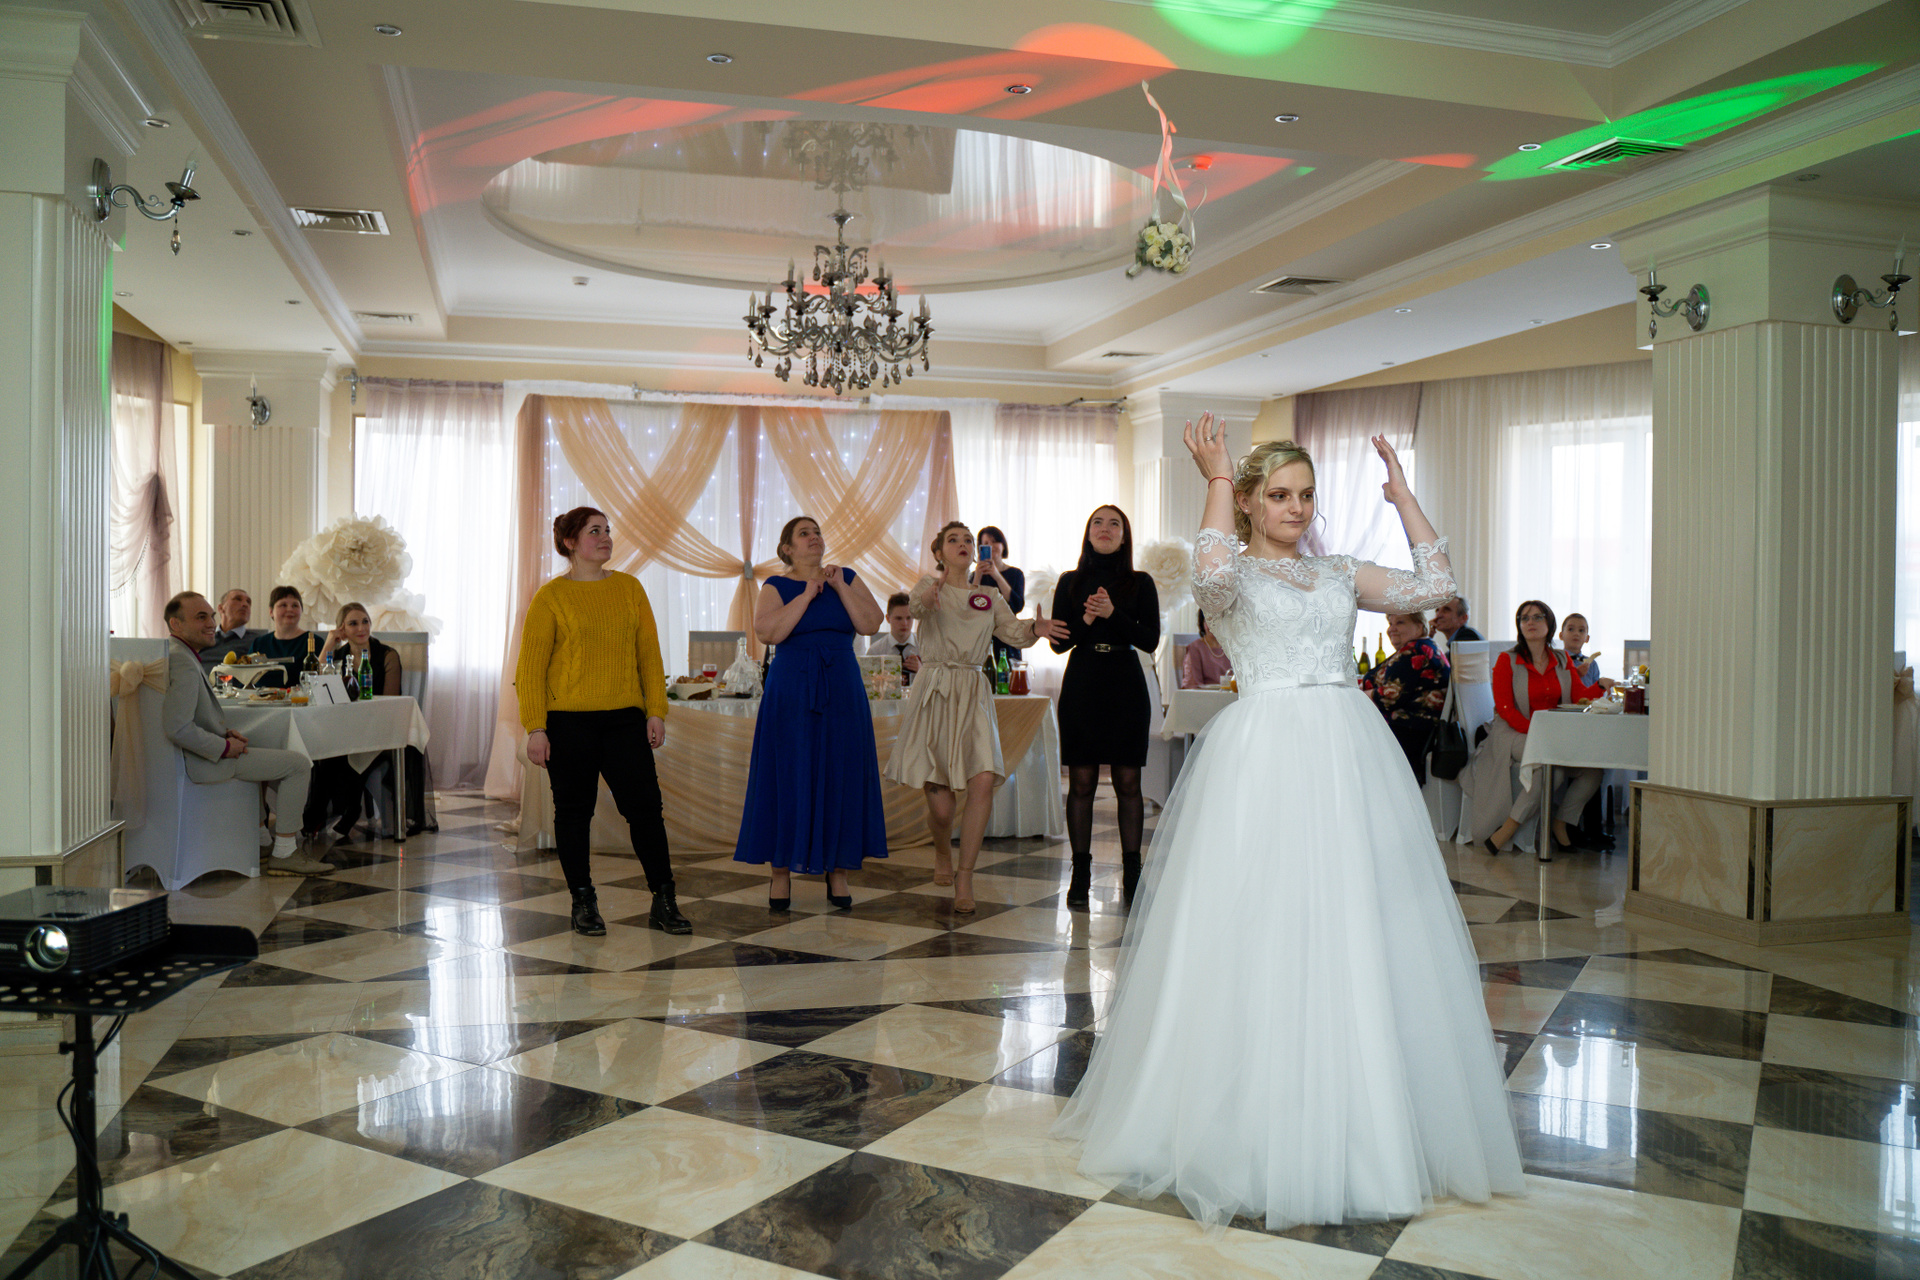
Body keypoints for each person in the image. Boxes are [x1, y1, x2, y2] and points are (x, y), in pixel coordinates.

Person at [1056, 415, 1524, 1232]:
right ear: (1249, 502)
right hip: (1265, 755)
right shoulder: (1230, 575)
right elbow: (1208, 574)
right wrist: (1214, 478)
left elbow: (1435, 586)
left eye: (1305, 495)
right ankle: (1251, 1122)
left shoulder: (1340, 571)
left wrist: (1402, 497)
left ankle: (1366, 1119)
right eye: (1278, 495)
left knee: (1361, 925)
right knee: (1263, 926)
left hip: (1348, 753)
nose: (1296, 508)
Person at [519, 506, 691, 938]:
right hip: (567, 723)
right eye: (595, 531)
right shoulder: (550, 597)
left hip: (624, 720)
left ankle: (664, 900)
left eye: (607, 530)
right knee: (573, 814)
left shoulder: (630, 588)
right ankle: (583, 902)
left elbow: (649, 655)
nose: (606, 537)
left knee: (646, 810)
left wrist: (656, 710)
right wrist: (535, 727)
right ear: (570, 542)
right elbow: (531, 669)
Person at [885, 521, 1067, 909]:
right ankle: (942, 850)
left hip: (973, 690)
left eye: (968, 539)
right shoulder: (927, 586)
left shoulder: (988, 596)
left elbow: (1013, 632)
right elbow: (917, 608)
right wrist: (928, 598)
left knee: (983, 779)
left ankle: (965, 877)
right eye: (953, 540)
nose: (963, 544)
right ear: (939, 553)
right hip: (935, 690)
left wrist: (1036, 627)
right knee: (942, 808)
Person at [735, 516, 889, 911]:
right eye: (804, 533)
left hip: (841, 687)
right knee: (788, 773)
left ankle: (838, 871)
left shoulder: (846, 577)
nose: (814, 537)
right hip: (791, 689)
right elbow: (768, 632)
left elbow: (871, 623)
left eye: (817, 532)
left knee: (841, 772)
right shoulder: (776, 585)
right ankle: (780, 872)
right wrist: (806, 595)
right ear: (787, 548)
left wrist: (838, 587)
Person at [161, 591, 330, 876]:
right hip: (200, 762)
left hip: (196, 754)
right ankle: (285, 852)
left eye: (210, 616)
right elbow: (177, 727)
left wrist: (225, 733)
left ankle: (261, 841)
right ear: (176, 624)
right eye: (201, 617)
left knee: (262, 747)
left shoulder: (177, 654)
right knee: (299, 765)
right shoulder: (182, 661)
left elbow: (187, 717)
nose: (210, 623)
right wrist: (225, 747)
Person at [1051, 506, 1160, 908]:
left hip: (1125, 683)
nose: (1105, 528)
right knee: (1081, 783)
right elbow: (1060, 644)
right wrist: (1086, 617)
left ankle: (1133, 872)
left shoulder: (1140, 582)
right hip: (1082, 681)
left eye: (1115, 523)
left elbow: (1149, 640)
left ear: (1124, 536)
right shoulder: (1069, 581)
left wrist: (1112, 614)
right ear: (1088, 532)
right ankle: (1080, 872)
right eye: (1098, 522)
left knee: (1128, 783)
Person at [1464, 600, 1613, 857]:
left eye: (1537, 617)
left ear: (1549, 624)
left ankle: (1560, 822)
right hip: (1512, 733)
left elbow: (1578, 696)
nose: (1530, 622)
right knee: (1551, 769)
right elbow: (1506, 710)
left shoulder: (1562, 659)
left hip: (1550, 735)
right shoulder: (1507, 660)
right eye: (1524, 618)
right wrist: (1537, 732)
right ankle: (1508, 828)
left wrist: (1599, 685)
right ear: (1519, 626)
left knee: (1593, 772)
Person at [303, 602, 437, 839]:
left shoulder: (387, 655)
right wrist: (329, 643)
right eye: (353, 623)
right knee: (325, 752)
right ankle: (317, 818)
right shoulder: (339, 656)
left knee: (354, 749)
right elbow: (317, 682)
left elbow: (389, 702)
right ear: (342, 629)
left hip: (384, 729)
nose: (361, 628)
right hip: (347, 729)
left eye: (365, 621)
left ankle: (349, 811)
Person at [1363, 609, 1450, 784]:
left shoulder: (1414, 651)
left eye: (1400, 622)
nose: (1392, 629)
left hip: (1409, 732)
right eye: (1390, 623)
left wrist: (1361, 695)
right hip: (1416, 731)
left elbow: (1390, 697)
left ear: (1419, 627)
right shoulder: (1424, 646)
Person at [246, 585, 324, 687]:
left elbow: (321, 681)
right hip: (259, 697)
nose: (290, 609)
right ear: (271, 612)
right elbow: (246, 679)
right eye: (283, 605)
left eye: (295, 605)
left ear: (301, 611)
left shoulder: (315, 642)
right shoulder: (259, 643)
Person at [972, 525, 1025, 669]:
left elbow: (1016, 605)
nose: (991, 545)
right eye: (986, 543)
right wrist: (978, 575)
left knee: (1008, 677)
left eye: (995, 541)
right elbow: (969, 605)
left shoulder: (1016, 574)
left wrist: (996, 574)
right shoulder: (975, 576)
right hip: (982, 638)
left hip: (1008, 638)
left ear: (1003, 545)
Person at [864, 591, 922, 686]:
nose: (904, 623)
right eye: (899, 618)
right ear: (888, 618)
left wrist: (922, 671)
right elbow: (867, 685)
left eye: (909, 618)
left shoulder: (925, 649)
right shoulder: (875, 652)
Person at [199, 588, 258, 674]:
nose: (245, 604)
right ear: (221, 608)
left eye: (248, 602)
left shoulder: (257, 642)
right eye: (238, 599)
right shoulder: (202, 638)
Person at [1179, 608, 1233, 689]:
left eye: (1217, 620)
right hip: (1205, 695)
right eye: (1209, 620)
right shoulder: (1195, 648)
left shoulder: (1232, 647)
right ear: (1202, 623)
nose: (1213, 625)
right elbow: (1192, 684)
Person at [1560, 612, 1602, 684]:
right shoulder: (1555, 660)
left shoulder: (1592, 664)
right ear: (1561, 635)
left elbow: (1596, 689)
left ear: (1587, 638)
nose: (1576, 633)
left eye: (1581, 630)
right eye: (1570, 629)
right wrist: (1576, 675)